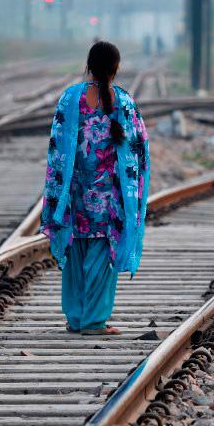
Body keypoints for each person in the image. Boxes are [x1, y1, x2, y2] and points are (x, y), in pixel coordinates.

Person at [40, 41, 150, 335]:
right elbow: (139, 149)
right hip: (109, 196)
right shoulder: (124, 102)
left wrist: (56, 190)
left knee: (76, 250)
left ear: (89, 65)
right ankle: (94, 321)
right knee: (102, 253)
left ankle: (76, 318)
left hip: (74, 193)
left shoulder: (70, 98)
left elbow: (56, 147)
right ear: (115, 68)